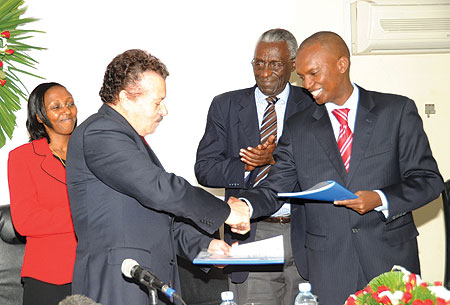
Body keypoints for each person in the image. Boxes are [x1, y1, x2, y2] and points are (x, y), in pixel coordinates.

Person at [231, 31, 444, 305]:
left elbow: (428, 181)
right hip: (329, 268)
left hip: (389, 260)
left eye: (313, 73)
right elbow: (275, 188)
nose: (307, 84)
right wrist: (245, 207)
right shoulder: (299, 127)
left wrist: (380, 198)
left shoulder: (397, 111)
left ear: (342, 65)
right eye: (302, 76)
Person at [65, 49, 250, 305]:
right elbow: (160, 189)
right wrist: (225, 211)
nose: (164, 110)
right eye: (157, 101)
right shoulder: (100, 133)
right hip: (118, 284)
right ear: (126, 98)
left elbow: (162, 218)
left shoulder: (128, 139)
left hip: (148, 282)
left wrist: (205, 246)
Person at [195, 28, 313, 305]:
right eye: (258, 63)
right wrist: (248, 166)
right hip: (253, 233)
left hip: (305, 231)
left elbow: (326, 167)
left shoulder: (311, 103)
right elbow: (205, 169)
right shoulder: (226, 105)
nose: (264, 72)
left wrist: (275, 161)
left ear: (293, 66)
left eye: (274, 64)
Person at [8, 82, 78, 305]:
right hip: (48, 276)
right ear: (40, 116)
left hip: (94, 270)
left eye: (70, 104)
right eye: (56, 106)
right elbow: (25, 221)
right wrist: (82, 214)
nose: (66, 110)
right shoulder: (22, 158)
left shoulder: (90, 152)